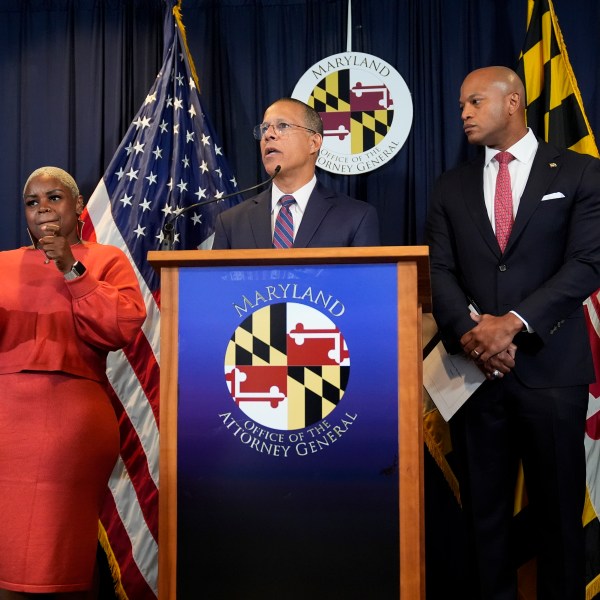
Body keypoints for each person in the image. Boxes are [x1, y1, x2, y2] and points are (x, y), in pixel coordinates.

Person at [425, 66, 600, 599]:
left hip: (552, 371)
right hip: (476, 377)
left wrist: (512, 325)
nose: (464, 114)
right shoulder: (450, 185)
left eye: (474, 102)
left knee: (559, 523)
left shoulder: (579, 172)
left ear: (514, 102)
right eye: (460, 106)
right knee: (485, 522)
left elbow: (588, 262)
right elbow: (439, 271)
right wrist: (474, 334)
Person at [0, 167, 146, 599]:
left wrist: (70, 266)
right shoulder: (4, 264)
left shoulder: (105, 260)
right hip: (6, 420)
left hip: (72, 423)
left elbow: (120, 328)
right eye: (32, 202)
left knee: (59, 553)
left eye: (54, 198)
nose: (42, 208)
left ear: (78, 206)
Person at [212, 97, 380, 249]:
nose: (268, 135)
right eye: (264, 129)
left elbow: (364, 283)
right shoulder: (230, 223)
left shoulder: (356, 217)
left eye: (282, 126)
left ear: (314, 143)